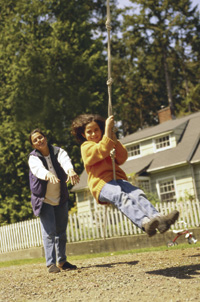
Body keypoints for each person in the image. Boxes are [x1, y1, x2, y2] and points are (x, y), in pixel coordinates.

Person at [71, 114, 179, 237]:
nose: (94, 134)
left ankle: (160, 220)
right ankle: (145, 223)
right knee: (121, 196)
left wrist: (114, 140)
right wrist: (107, 131)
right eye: (89, 132)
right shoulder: (86, 147)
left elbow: (122, 158)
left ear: (100, 130)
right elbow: (101, 150)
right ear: (83, 135)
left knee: (137, 194)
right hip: (101, 184)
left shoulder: (108, 142)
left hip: (117, 180)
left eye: (96, 130)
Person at [28, 128, 80, 273]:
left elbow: (65, 161)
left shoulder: (58, 151)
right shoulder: (33, 158)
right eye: (35, 140)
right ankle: (51, 264)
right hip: (44, 200)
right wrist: (47, 174)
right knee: (49, 232)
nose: (39, 141)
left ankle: (62, 261)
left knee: (61, 231)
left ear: (45, 137)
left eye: (40, 137)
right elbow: (37, 169)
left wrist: (70, 170)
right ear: (33, 145)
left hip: (60, 197)